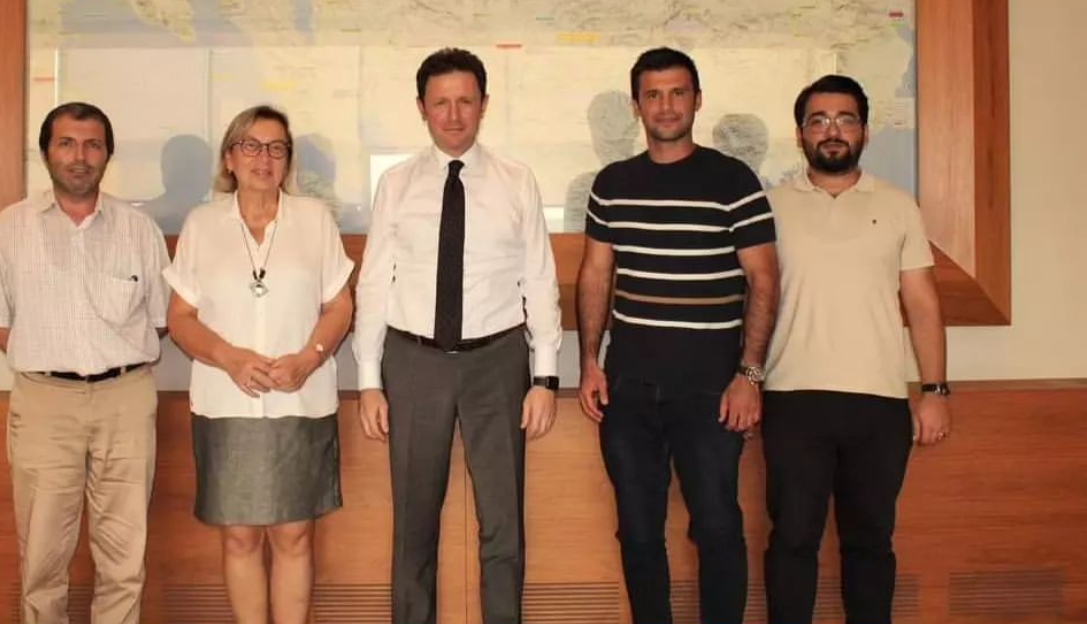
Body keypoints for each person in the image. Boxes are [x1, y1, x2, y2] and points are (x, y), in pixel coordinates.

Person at [354, 47, 562, 624]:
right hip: (414, 362)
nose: (453, 115)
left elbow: (539, 277)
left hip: (497, 362)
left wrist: (545, 376)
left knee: (503, 524)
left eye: (465, 101)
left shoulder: (516, 181)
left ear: (484, 105)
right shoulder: (397, 184)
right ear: (421, 107)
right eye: (440, 103)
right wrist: (369, 380)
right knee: (413, 523)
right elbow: (374, 282)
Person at [577, 48, 779, 624]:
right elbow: (596, 274)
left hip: (710, 390)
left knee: (717, 527)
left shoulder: (733, 180)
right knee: (638, 532)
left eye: (677, 93)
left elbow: (764, 279)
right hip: (629, 389)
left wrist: (749, 375)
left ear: (697, 100)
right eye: (653, 94)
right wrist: (589, 362)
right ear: (637, 105)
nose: (666, 106)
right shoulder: (613, 184)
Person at [0, 102, 171, 624]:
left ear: (107, 155)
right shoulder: (11, 227)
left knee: (124, 556)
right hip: (44, 402)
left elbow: (161, 319)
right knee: (42, 556)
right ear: (46, 153)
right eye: (66, 143)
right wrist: (47, 356)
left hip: (125, 399)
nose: (80, 156)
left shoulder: (139, 229)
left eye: (92, 145)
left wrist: (107, 357)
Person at [762, 74, 951, 624]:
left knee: (870, 542)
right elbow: (749, 301)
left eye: (845, 119)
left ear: (864, 131)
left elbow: (922, 303)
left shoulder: (898, 205)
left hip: (879, 402)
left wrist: (935, 390)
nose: (832, 131)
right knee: (792, 539)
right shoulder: (770, 206)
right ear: (800, 134)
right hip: (792, 398)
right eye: (818, 120)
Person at [164, 105, 354, 624]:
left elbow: (340, 306)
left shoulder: (314, 219)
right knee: (240, 536)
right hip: (227, 405)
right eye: (250, 145)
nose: (263, 158)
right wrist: (229, 358)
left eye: (276, 148)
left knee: (295, 534)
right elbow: (179, 318)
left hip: (300, 401)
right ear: (229, 157)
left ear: (287, 160)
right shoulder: (203, 224)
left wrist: (309, 359)